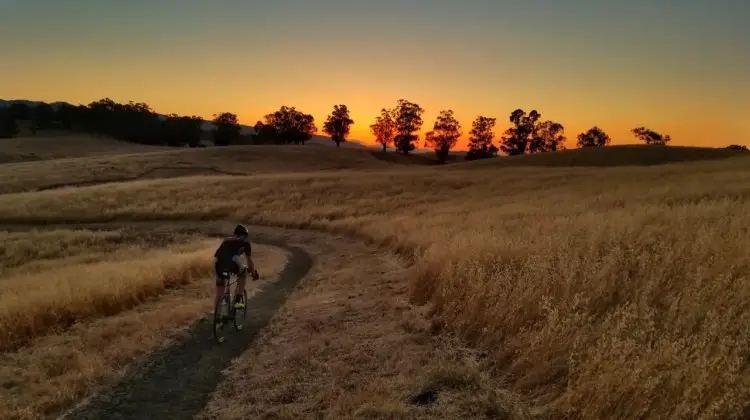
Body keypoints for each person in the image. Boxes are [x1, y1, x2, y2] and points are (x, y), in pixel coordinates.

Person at [213, 224, 259, 310]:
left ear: (235, 234)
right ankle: (237, 301)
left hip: (218, 263)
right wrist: (253, 273)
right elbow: (249, 261)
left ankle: (216, 314)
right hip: (231, 263)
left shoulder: (226, 240)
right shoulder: (245, 243)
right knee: (243, 272)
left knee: (219, 290)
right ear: (245, 235)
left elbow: (217, 256)